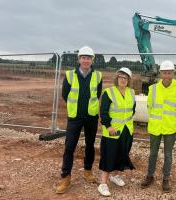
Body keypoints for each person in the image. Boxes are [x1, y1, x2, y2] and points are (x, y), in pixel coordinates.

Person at [55, 46, 102, 194]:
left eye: (89, 58)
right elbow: (65, 94)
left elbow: (97, 94)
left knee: (90, 145)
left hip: (91, 117)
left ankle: (88, 171)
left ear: (92, 60)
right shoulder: (70, 75)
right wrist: (74, 107)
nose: (86, 60)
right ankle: (66, 177)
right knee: (69, 147)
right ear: (79, 59)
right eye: (83, 57)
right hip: (75, 117)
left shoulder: (98, 76)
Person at [140, 60, 176, 192]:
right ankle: (150, 175)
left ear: (173, 74)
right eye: (164, 73)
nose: (167, 75)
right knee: (152, 153)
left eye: (169, 73)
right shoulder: (152, 89)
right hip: (155, 127)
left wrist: (172, 121)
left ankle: (166, 179)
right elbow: (150, 107)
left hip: (170, 128)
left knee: (168, 155)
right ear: (160, 74)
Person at [97, 67, 136, 197]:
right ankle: (103, 183)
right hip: (112, 130)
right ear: (117, 78)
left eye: (125, 78)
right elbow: (103, 111)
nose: (123, 80)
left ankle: (115, 176)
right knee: (109, 155)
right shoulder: (109, 92)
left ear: (129, 80)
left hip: (126, 129)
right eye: (121, 77)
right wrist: (108, 126)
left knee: (122, 153)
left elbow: (132, 110)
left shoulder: (131, 92)